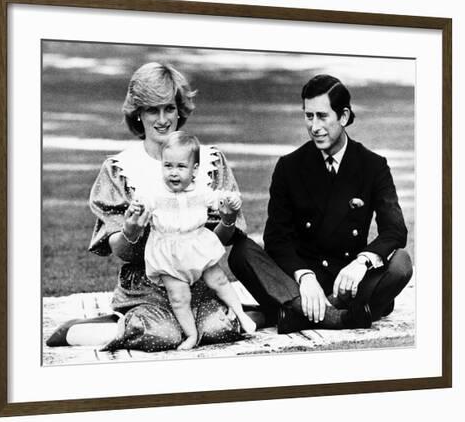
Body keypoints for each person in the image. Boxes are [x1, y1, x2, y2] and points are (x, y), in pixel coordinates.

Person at [47, 62, 246, 351]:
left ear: (180, 109)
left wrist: (227, 221)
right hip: (146, 286)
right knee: (164, 335)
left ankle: (232, 315)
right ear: (138, 114)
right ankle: (84, 329)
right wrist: (130, 230)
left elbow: (212, 243)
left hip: (198, 281)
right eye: (153, 109)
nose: (163, 119)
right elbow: (121, 252)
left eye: (169, 108)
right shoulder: (121, 169)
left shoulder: (207, 162)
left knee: (219, 329)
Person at [229, 74, 413, 333]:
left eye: (322, 116)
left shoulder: (373, 165)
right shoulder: (289, 167)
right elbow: (276, 238)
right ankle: (338, 317)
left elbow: (395, 230)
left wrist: (362, 263)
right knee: (241, 252)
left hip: (348, 284)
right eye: (308, 116)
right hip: (300, 283)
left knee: (401, 263)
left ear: (345, 117)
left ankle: (285, 312)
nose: (314, 126)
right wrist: (304, 276)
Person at [131, 131, 256, 350]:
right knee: (179, 296)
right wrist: (138, 207)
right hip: (168, 254)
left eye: (181, 167)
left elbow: (217, 199)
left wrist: (230, 201)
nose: (173, 173)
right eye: (168, 166)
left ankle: (240, 314)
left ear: (194, 169)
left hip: (197, 245)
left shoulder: (199, 190)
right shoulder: (156, 192)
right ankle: (191, 334)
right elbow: (145, 202)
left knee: (219, 280)